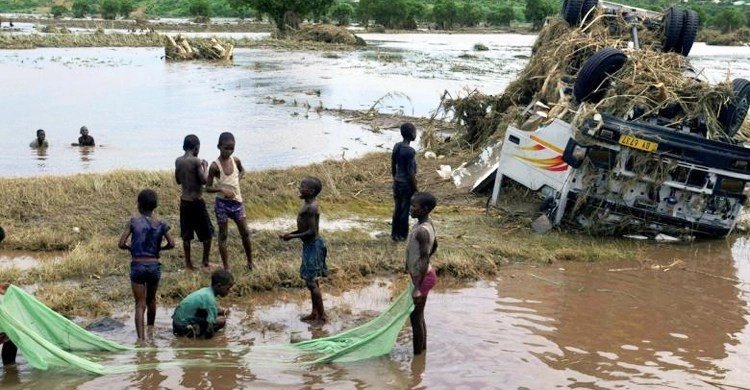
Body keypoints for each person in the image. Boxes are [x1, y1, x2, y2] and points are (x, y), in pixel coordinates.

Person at [118, 189, 175, 340]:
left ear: (139, 205)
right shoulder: (161, 223)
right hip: (154, 266)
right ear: (155, 206)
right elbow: (172, 243)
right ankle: (150, 331)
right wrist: (159, 249)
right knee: (151, 300)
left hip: (137, 265)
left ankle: (141, 340)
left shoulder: (133, 222)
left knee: (139, 304)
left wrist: (132, 249)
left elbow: (121, 244)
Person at [279, 177, 329, 323]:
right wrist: (291, 234)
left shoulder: (311, 207)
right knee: (312, 282)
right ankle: (315, 312)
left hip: (313, 246)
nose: (299, 188)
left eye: (302, 186)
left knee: (311, 283)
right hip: (310, 246)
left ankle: (323, 316)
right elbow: (305, 228)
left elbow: (312, 232)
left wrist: (292, 237)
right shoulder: (307, 204)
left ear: (311, 191)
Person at [207, 132, 253, 271]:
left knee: (245, 232)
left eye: (232, 148)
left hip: (237, 203)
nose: (229, 151)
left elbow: (242, 171)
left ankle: (250, 262)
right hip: (222, 204)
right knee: (223, 235)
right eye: (226, 148)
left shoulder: (236, 160)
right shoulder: (215, 166)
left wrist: (237, 182)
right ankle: (226, 267)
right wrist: (222, 190)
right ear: (219, 147)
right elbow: (207, 188)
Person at [405, 192, 438, 355]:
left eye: (414, 206)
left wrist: (418, 287)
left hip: (423, 278)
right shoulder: (426, 224)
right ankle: (422, 350)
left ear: (425, 209)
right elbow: (435, 245)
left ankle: (417, 358)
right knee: (419, 315)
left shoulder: (422, 231)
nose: (410, 208)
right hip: (422, 275)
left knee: (415, 317)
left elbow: (425, 258)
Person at [175, 134, 214, 271]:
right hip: (196, 201)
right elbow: (204, 180)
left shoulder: (178, 161)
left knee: (186, 235)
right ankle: (205, 262)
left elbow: (178, 180)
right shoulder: (196, 161)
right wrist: (205, 166)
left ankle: (188, 264)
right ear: (196, 148)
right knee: (207, 234)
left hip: (184, 201)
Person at [172, 269, 234, 339]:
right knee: (221, 321)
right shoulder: (210, 300)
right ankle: (196, 336)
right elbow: (209, 329)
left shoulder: (206, 291)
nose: (230, 291)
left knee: (218, 312)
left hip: (176, 324)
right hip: (183, 329)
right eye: (228, 288)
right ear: (219, 286)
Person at [391, 123, 418, 242]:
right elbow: (411, 172)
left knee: (397, 208)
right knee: (405, 209)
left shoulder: (397, 146)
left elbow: (393, 164)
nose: (416, 134)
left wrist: (395, 177)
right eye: (415, 132)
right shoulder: (410, 151)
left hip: (397, 182)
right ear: (412, 134)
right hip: (406, 185)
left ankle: (394, 234)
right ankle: (402, 235)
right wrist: (416, 188)